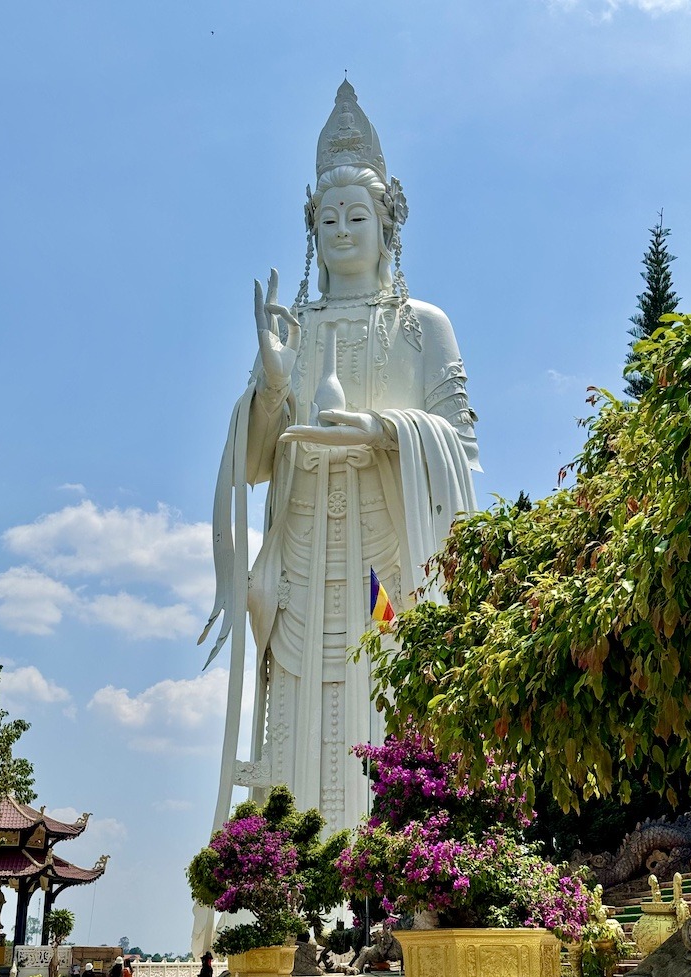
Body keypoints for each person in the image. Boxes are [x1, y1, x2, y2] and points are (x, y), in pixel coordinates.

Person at [199, 79, 479, 854]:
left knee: (386, 693)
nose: (343, 230)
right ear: (310, 230)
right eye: (328, 219)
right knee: (295, 710)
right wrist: (274, 381)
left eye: (358, 215)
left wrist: (386, 429)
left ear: (388, 221)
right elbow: (257, 462)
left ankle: (396, 876)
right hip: (300, 564)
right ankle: (284, 884)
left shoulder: (423, 327)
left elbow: (460, 444)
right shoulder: (296, 329)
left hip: (383, 564)